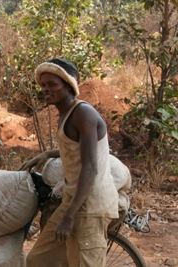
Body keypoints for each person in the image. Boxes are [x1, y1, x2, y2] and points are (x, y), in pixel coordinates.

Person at [24, 58, 119, 266]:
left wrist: (69, 216)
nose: (46, 89)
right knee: (38, 260)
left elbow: (91, 167)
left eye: (52, 84)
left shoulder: (83, 113)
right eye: (43, 85)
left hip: (89, 207)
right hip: (73, 201)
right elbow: (76, 149)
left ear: (68, 86)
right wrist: (48, 154)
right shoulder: (66, 113)